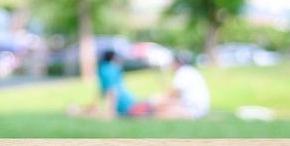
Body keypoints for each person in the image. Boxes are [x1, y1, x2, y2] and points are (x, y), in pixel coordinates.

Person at [68, 50, 210, 120]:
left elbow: (105, 92)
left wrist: (108, 113)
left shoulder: (104, 70)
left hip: (131, 107)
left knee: (157, 108)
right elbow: (111, 91)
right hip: (131, 106)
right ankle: (78, 111)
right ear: (113, 59)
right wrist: (109, 112)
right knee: (156, 107)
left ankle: (77, 111)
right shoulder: (111, 69)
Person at [155, 51, 210, 119]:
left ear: (178, 63)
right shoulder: (189, 71)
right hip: (197, 108)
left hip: (193, 110)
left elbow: (171, 94)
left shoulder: (183, 72)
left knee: (159, 112)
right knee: (162, 107)